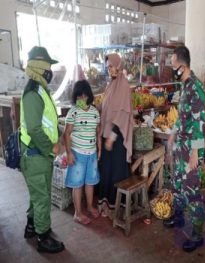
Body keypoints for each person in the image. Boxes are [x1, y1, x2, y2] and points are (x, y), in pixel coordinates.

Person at [20, 46, 64, 253]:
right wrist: (52, 146)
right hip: (37, 154)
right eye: (47, 66)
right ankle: (43, 237)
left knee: (37, 195)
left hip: (40, 155)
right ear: (38, 66)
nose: (50, 71)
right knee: (42, 197)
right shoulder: (32, 93)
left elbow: (46, 120)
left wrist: (58, 132)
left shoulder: (40, 89)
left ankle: (31, 226)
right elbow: (34, 128)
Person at [163, 46, 205, 252]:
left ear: (182, 65)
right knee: (178, 185)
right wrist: (172, 135)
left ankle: (198, 234)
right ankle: (179, 218)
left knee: (192, 191)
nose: (173, 69)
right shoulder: (185, 86)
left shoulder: (196, 88)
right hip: (181, 146)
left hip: (191, 149)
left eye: (174, 66)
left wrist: (195, 154)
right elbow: (182, 117)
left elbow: (199, 124)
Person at [98, 53, 133, 218]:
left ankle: (115, 207)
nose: (110, 70)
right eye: (108, 67)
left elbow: (123, 114)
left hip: (116, 138)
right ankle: (105, 203)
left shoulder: (124, 85)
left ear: (118, 66)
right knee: (106, 170)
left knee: (115, 172)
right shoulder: (110, 84)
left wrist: (112, 136)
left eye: (111, 66)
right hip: (107, 136)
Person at [64, 80, 101, 224]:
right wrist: (68, 153)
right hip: (77, 153)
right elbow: (66, 134)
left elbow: (98, 132)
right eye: (79, 97)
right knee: (77, 184)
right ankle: (77, 213)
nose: (82, 100)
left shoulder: (94, 112)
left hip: (91, 153)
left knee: (90, 182)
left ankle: (90, 207)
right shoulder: (73, 112)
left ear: (89, 96)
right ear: (75, 97)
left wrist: (100, 150)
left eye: (84, 96)